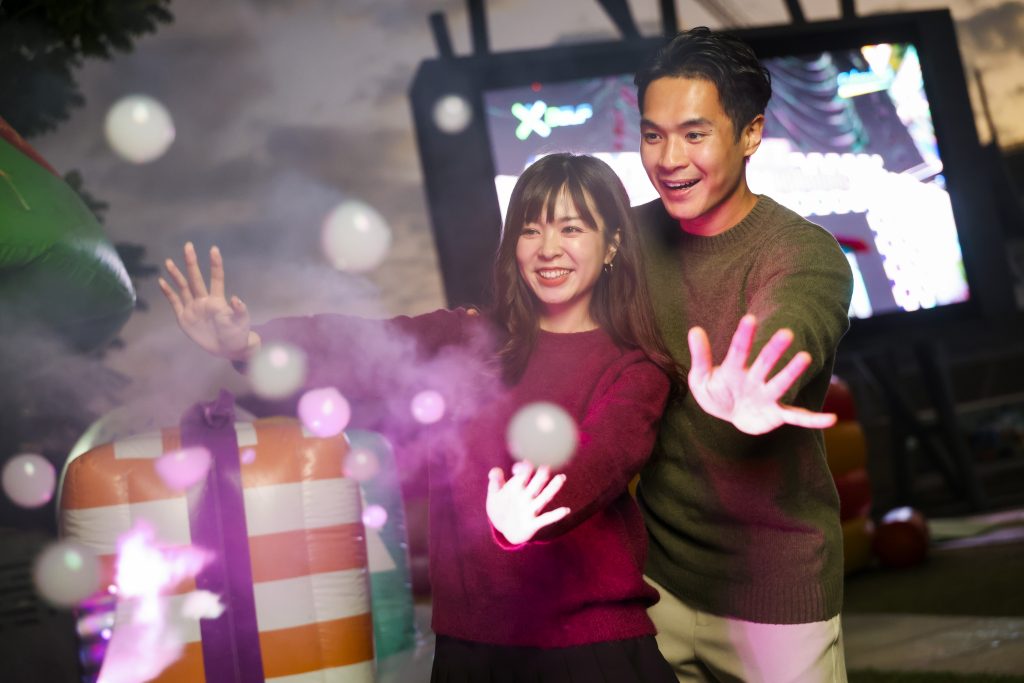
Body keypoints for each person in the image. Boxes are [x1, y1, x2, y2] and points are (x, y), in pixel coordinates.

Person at [160, 153, 684, 682]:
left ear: (612, 244)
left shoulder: (637, 368)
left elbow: (603, 457)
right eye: (531, 229)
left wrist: (529, 512)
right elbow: (362, 344)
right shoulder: (467, 337)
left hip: (590, 650)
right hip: (470, 651)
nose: (548, 248)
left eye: (571, 228)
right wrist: (250, 343)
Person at [631, 26, 855, 682]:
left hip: (778, 598)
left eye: (694, 134)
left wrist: (759, 373)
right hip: (657, 583)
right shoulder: (627, 238)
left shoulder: (804, 251)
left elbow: (796, 316)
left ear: (751, 133)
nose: (669, 158)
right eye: (652, 135)